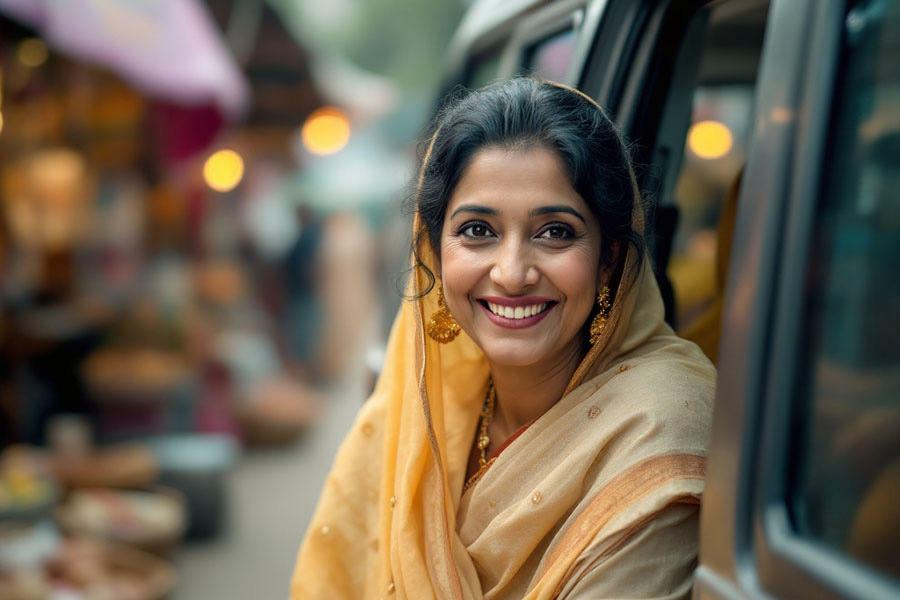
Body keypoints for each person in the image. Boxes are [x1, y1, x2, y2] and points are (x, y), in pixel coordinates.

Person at [290, 77, 716, 599]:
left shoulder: (661, 430)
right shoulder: (437, 406)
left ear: (608, 260)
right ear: (434, 251)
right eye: (477, 231)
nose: (512, 273)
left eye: (555, 231)